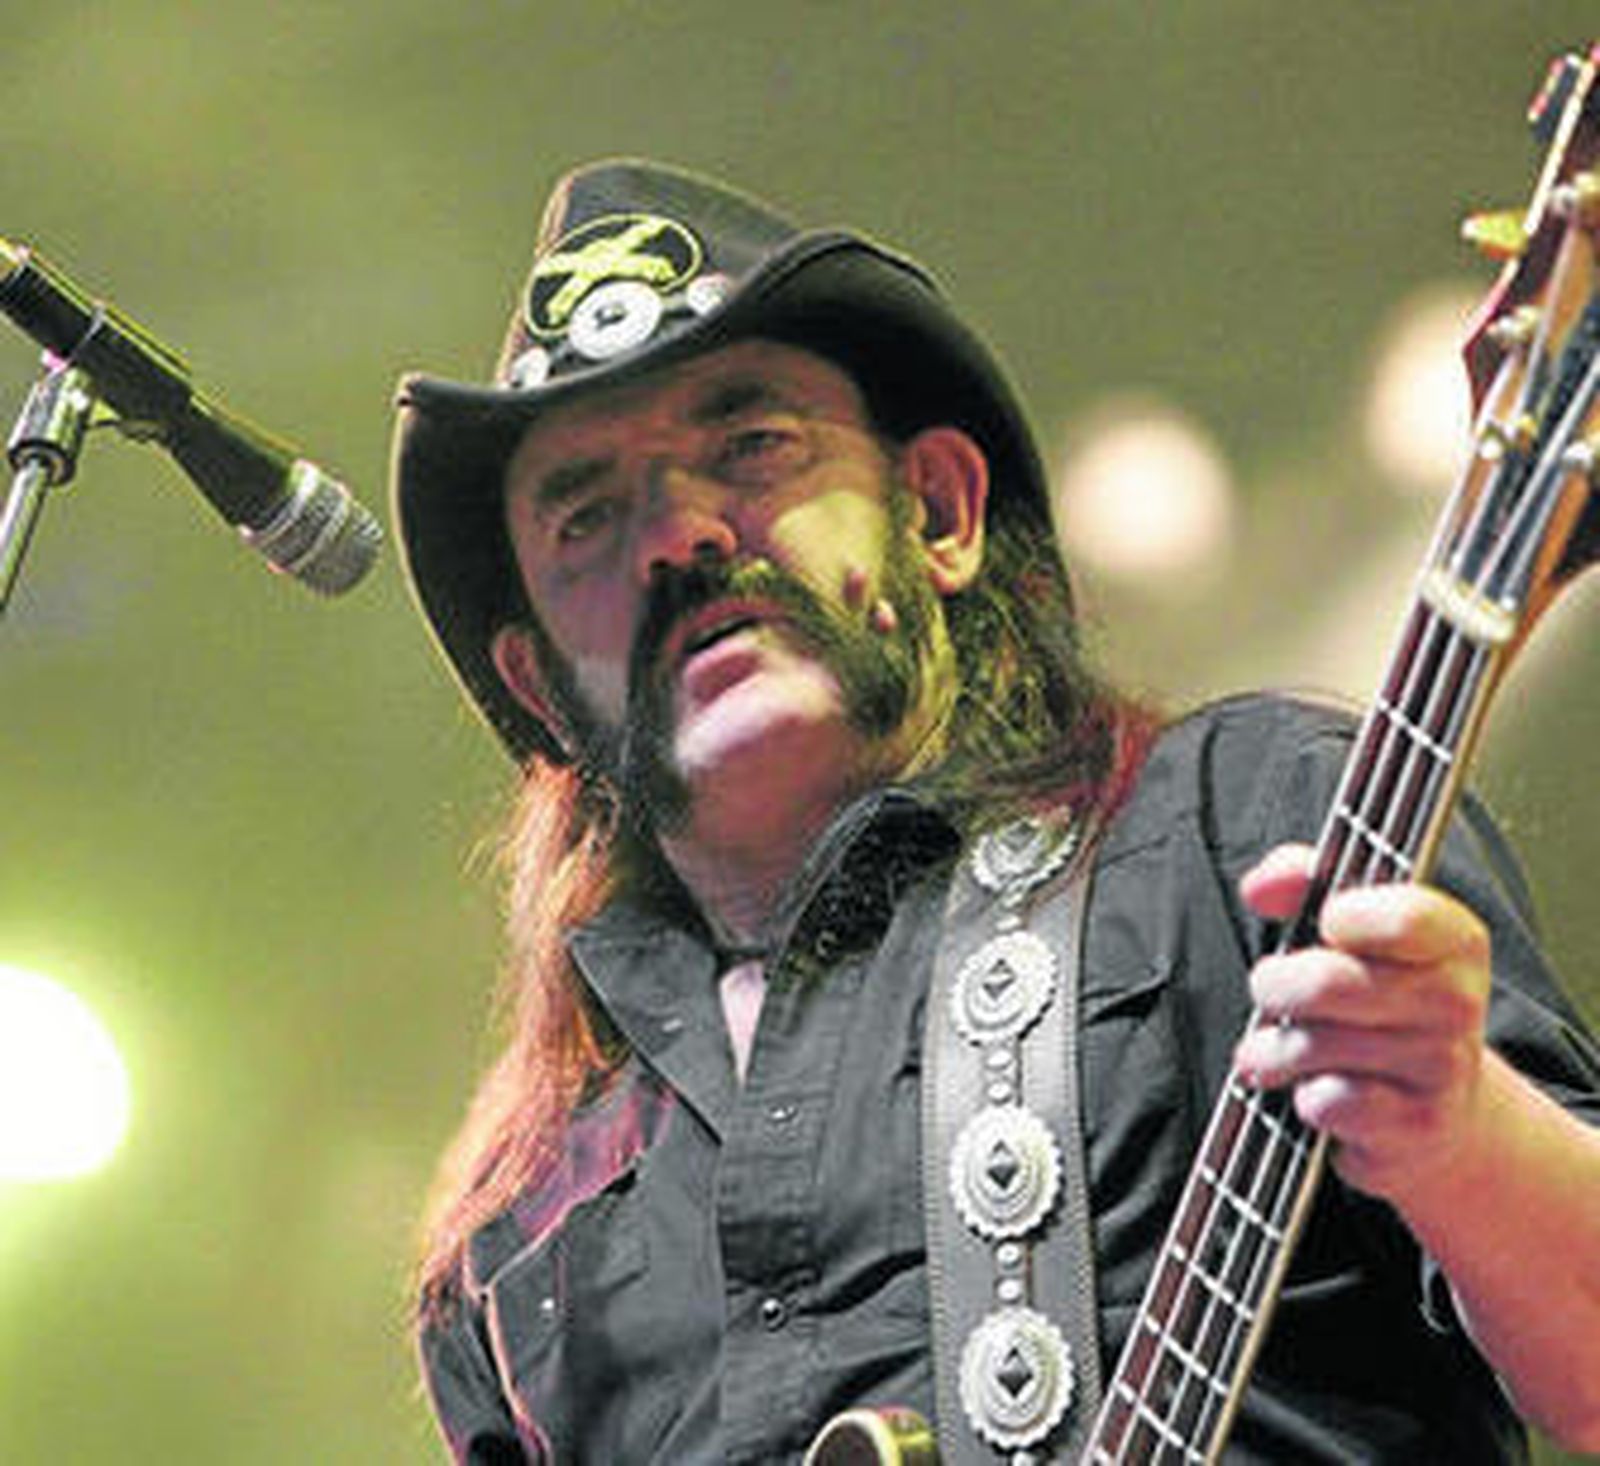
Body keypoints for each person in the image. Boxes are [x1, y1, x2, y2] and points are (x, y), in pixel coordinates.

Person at [390, 159, 1600, 1463]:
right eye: (586, 515)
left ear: (941, 511)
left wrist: (1459, 1124)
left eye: (748, 446)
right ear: (538, 689)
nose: (676, 537)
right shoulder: (520, 1245)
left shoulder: (1247, 823)